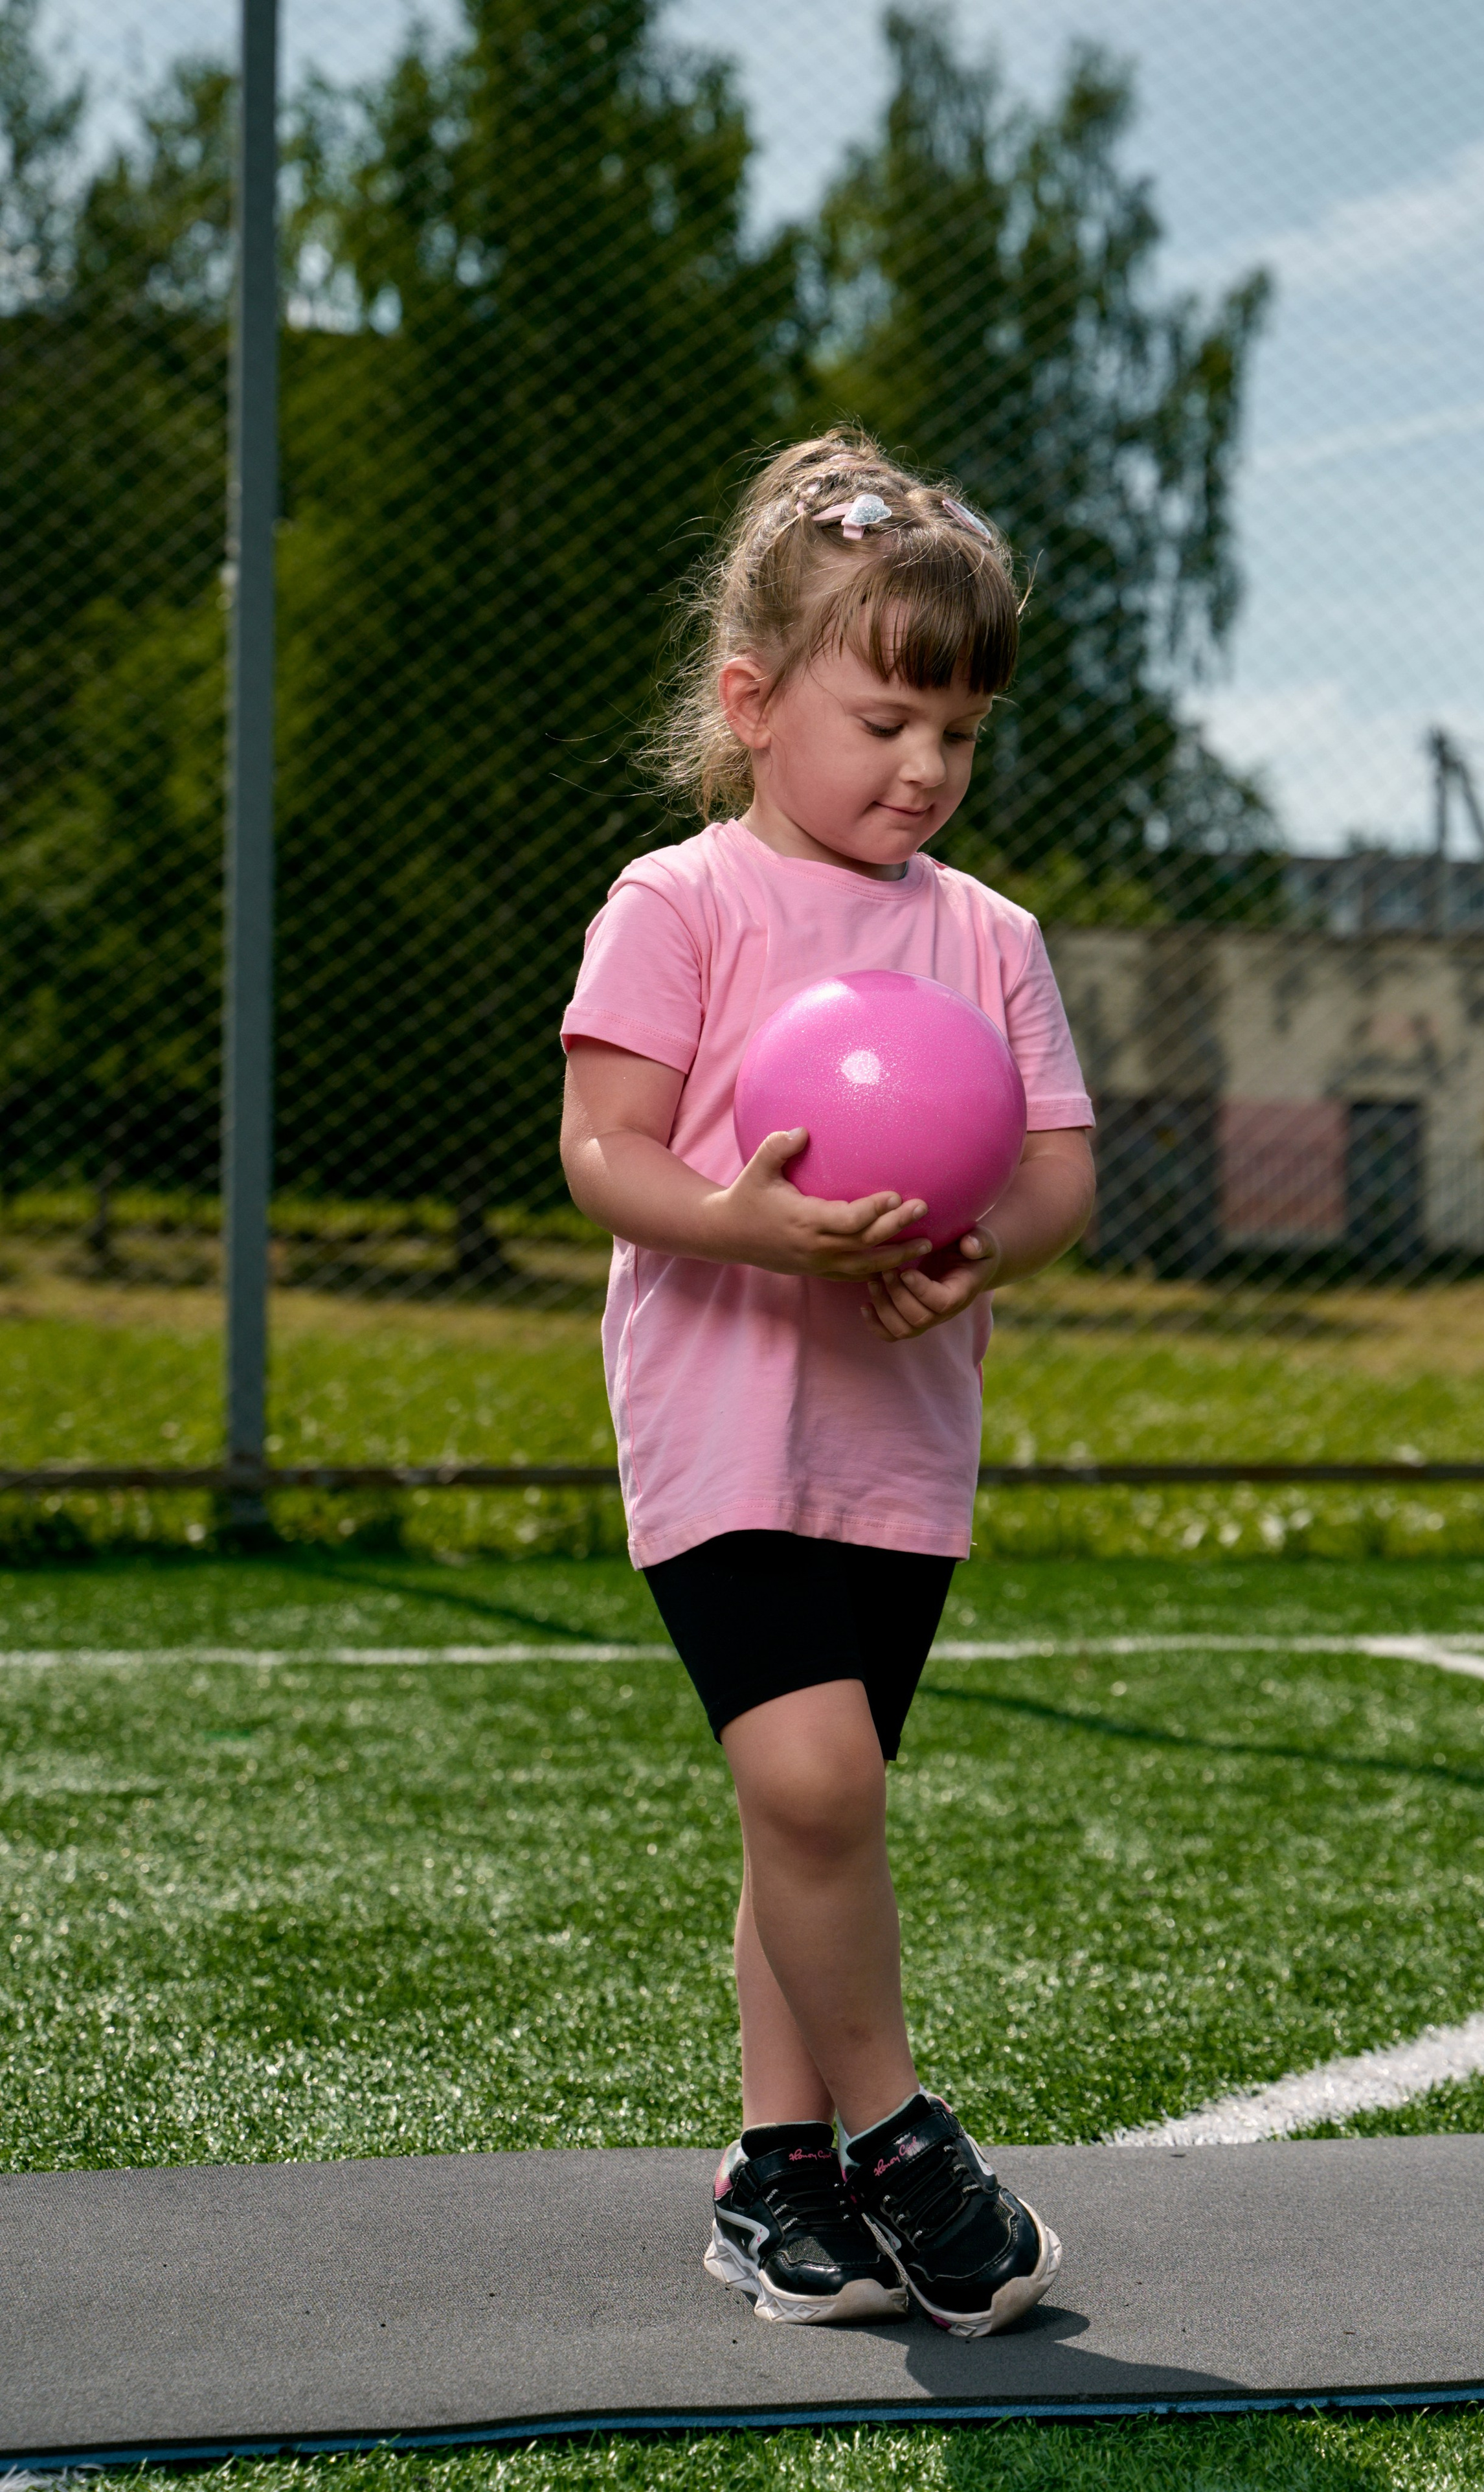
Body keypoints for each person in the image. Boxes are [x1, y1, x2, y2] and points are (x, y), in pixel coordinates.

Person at [559, 429, 1095, 2339]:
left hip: (898, 1443)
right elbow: (603, 1147)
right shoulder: (680, 899)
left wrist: (986, 1254)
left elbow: (1054, 1169)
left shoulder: (989, 936)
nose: (926, 769)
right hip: (720, 1425)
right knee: (812, 1775)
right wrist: (742, 1222)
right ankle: (900, 2142)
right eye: (884, 722)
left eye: (959, 733)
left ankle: (773, 2184)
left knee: (822, 1817)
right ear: (750, 701)